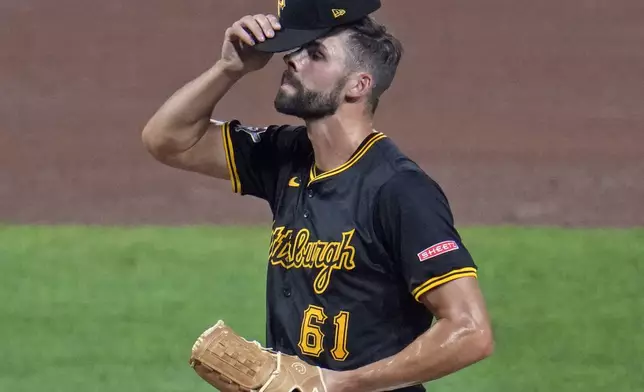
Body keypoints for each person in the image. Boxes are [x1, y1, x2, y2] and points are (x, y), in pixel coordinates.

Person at [142, 0, 494, 390]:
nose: (292, 59)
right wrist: (230, 69)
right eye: (296, 50)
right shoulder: (286, 156)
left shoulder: (400, 190)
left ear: (359, 85)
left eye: (315, 53)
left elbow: (471, 331)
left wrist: (337, 384)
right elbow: (168, 141)